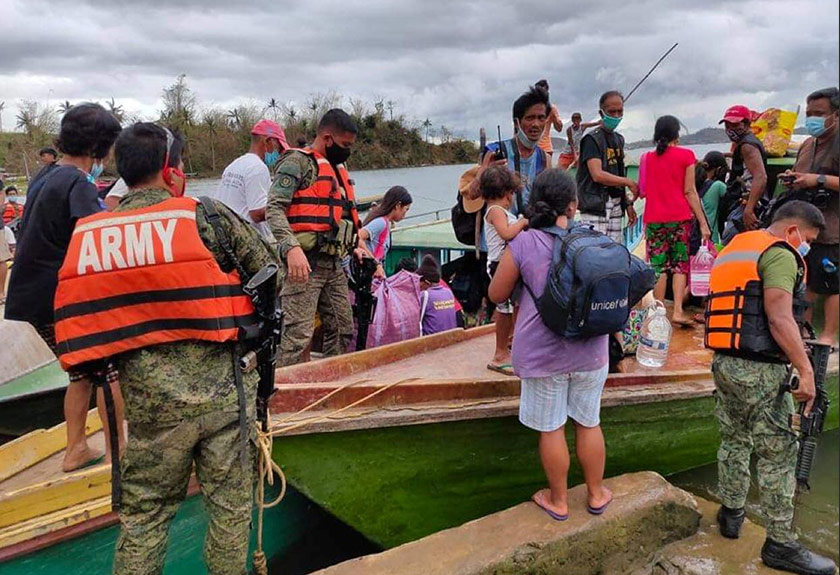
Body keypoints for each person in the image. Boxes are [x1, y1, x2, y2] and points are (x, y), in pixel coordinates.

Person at [51, 122, 278, 575]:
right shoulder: (207, 216)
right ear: (170, 170)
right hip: (225, 398)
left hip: (150, 409)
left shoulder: (94, 237)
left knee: (145, 520)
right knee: (230, 514)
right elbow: (269, 273)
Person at [705, 200, 836, 575]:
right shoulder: (779, 254)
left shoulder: (734, 247)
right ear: (793, 231)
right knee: (778, 454)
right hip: (761, 369)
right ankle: (780, 544)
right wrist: (805, 369)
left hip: (725, 362)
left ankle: (731, 514)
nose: (806, 247)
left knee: (734, 439)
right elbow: (779, 317)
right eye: (808, 240)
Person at [4, 103, 125, 472]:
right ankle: (123, 454)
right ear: (99, 147)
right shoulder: (78, 184)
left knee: (81, 372)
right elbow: (102, 240)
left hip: (31, 297)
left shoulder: (47, 174)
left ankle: (76, 449)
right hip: (60, 297)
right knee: (108, 371)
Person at [489, 168, 612, 522]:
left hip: (543, 353)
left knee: (552, 428)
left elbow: (496, 294)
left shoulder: (524, 243)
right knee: (589, 422)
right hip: (591, 350)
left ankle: (558, 500)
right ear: (572, 205)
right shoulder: (592, 238)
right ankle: (596, 494)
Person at [267, 108, 364, 365]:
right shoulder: (297, 162)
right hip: (304, 264)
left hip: (333, 264)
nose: (347, 150)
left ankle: (330, 385)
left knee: (343, 328)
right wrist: (291, 248)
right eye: (344, 144)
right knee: (296, 337)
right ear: (327, 138)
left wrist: (356, 244)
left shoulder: (337, 169)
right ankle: (280, 397)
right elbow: (274, 208)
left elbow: (342, 215)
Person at [638, 115, 711, 325]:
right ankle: (678, 311)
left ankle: (657, 313)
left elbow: (643, 191)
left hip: (654, 219)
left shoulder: (646, 158)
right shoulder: (687, 155)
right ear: (676, 135)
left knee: (658, 266)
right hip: (679, 219)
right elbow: (690, 191)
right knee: (680, 265)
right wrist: (703, 223)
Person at [784, 87, 839, 346]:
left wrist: (818, 180)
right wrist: (793, 178)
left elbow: (817, 178)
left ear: (835, 115)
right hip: (803, 225)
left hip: (832, 226)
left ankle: (828, 336)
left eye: (819, 113)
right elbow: (800, 173)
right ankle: (803, 332)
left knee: (830, 283)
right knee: (804, 281)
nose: (812, 119)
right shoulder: (808, 144)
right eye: (809, 114)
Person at [481, 165, 528, 375]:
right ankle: (500, 353)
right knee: (505, 309)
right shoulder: (496, 211)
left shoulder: (499, 211)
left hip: (508, 264)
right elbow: (507, 233)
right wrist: (523, 222)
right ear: (506, 193)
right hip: (500, 266)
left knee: (511, 308)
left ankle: (508, 348)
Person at [576, 90, 638, 244]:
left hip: (616, 202)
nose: (616, 116)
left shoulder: (618, 139)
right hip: (596, 204)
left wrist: (627, 203)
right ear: (602, 112)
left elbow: (618, 171)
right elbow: (597, 174)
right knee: (596, 249)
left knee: (615, 249)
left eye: (620, 111)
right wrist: (628, 182)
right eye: (612, 112)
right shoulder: (592, 139)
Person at [482, 85, 551, 215]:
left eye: (541, 118)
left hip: (528, 231)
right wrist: (485, 175)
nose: (536, 124)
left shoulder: (544, 159)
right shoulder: (495, 152)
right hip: (498, 231)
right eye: (530, 118)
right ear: (516, 122)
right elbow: (472, 195)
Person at [216, 119, 288, 240]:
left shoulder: (234, 165)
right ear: (268, 141)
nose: (279, 153)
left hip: (228, 236)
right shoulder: (258, 168)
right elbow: (256, 213)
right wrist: (285, 205)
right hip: (248, 240)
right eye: (278, 147)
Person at [720, 105, 768, 231]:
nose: (730, 129)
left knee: (730, 243)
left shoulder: (747, 146)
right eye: (727, 126)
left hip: (747, 204)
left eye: (735, 125)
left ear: (746, 124)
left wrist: (749, 209)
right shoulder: (746, 143)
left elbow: (760, 176)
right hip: (745, 203)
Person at [359, 185, 413, 274]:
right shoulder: (381, 222)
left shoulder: (385, 222)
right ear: (398, 205)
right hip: (368, 272)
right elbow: (359, 237)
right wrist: (375, 264)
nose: (404, 215)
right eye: (406, 209)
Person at [694, 151, 729, 245]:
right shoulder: (718, 186)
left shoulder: (693, 187)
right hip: (711, 240)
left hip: (694, 237)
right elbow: (733, 196)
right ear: (719, 169)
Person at [417, 254, 458, 335]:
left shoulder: (425, 295)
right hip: (450, 339)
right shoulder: (448, 292)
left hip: (431, 343)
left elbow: (416, 322)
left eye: (419, 281)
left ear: (426, 282)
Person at [534, 79, 564, 165]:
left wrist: (553, 115)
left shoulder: (552, 108)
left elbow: (559, 129)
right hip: (532, 148)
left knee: (546, 176)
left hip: (546, 148)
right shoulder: (530, 108)